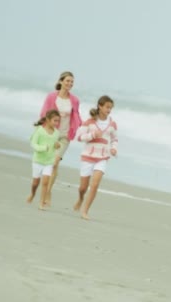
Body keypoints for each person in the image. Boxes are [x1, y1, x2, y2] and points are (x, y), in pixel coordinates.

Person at [38, 71, 82, 206]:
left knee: (55, 162)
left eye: (72, 82)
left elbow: (76, 116)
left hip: (64, 136)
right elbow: (44, 113)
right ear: (61, 81)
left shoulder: (74, 100)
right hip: (51, 134)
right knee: (50, 163)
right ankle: (46, 191)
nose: (70, 84)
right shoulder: (51, 97)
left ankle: (48, 191)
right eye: (67, 81)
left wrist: (82, 127)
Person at [73, 95, 118, 220]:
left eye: (111, 108)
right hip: (88, 156)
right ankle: (81, 198)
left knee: (95, 184)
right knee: (83, 187)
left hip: (102, 157)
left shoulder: (112, 124)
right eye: (107, 107)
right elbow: (79, 137)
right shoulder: (90, 121)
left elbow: (114, 139)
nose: (109, 110)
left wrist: (114, 148)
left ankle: (85, 211)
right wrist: (92, 134)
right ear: (100, 106)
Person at [27, 109, 61, 210]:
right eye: (55, 120)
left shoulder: (56, 133)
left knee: (45, 182)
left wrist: (57, 145)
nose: (56, 123)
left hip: (49, 161)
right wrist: (43, 148)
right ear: (48, 119)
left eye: (58, 121)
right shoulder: (39, 130)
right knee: (35, 183)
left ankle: (41, 203)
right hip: (38, 160)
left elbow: (55, 145)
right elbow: (33, 144)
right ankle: (33, 194)